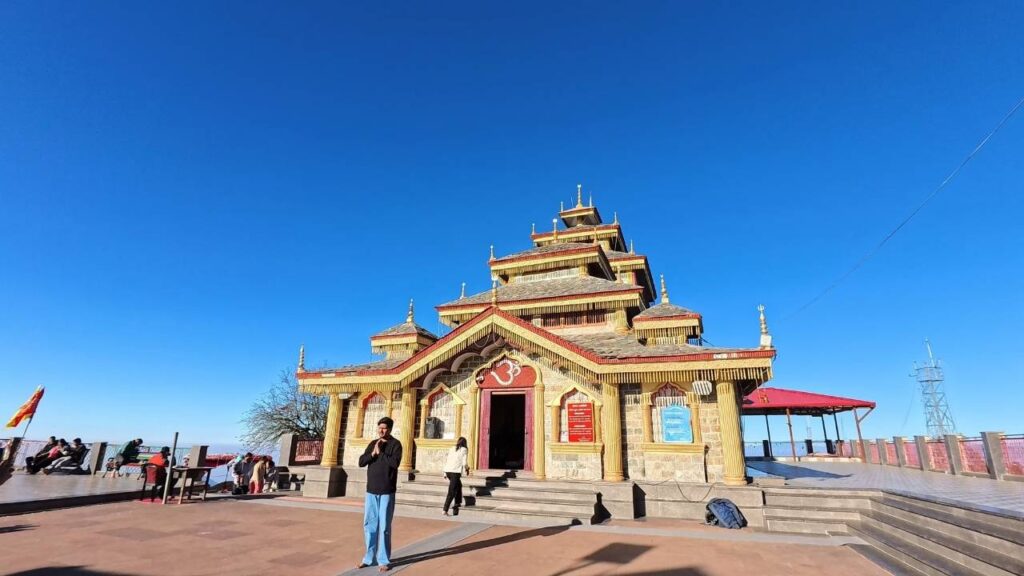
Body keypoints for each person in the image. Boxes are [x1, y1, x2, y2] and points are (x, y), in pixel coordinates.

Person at [357, 416, 402, 573]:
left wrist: (381, 452)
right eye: (379, 428)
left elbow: (395, 463)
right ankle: (368, 558)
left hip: (387, 491)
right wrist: (373, 453)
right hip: (371, 490)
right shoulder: (372, 444)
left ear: (389, 429)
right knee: (369, 525)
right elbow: (361, 462)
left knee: (384, 527)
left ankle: (383, 559)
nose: (381, 431)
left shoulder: (396, 445)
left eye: (384, 428)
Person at [442, 437, 470, 516]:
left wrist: (444, 473)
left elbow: (447, 460)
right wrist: (467, 469)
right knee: (451, 492)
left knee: (459, 485)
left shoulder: (452, 448)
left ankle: (457, 503)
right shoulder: (464, 450)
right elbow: (464, 463)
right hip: (455, 472)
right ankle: (445, 509)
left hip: (448, 471)